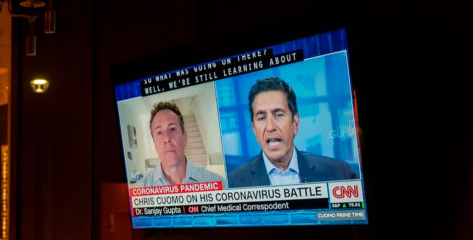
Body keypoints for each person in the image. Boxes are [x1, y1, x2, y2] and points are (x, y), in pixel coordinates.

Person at [228, 76, 357, 187]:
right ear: (254, 129)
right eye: (261, 118)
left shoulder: (339, 173)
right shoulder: (233, 182)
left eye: (278, 114)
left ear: (295, 123)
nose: (270, 127)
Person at [140, 102, 225, 187]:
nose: (166, 138)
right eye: (159, 132)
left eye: (172, 129)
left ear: (184, 137)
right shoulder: (140, 191)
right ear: (155, 144)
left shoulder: (219, 184)